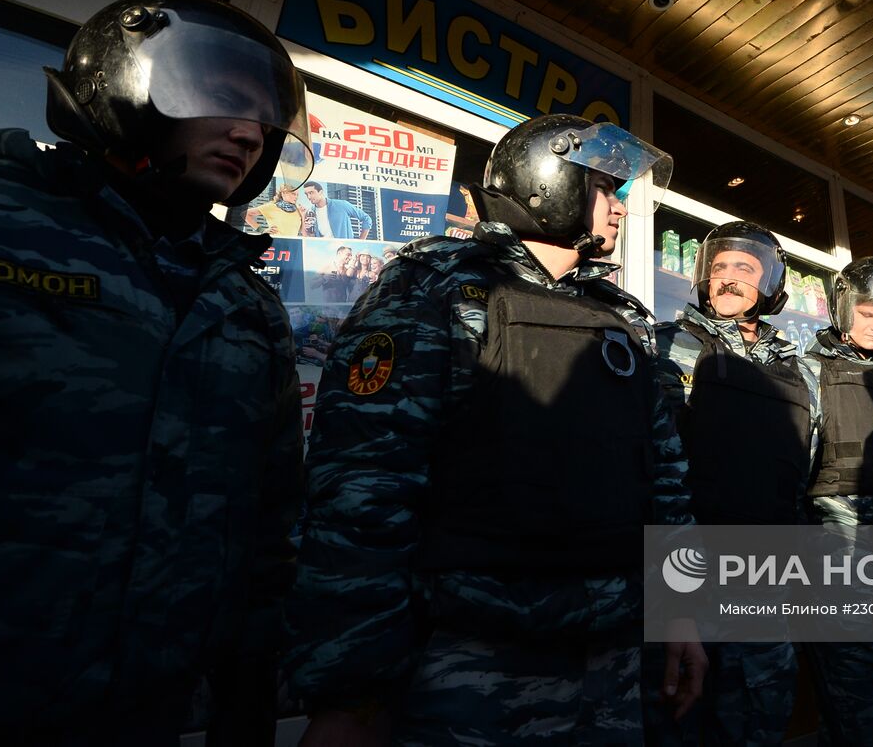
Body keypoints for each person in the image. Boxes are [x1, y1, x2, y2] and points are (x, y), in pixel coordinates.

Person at [0, 0, 313, 744]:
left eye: (264, 115)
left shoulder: (245, 303)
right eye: (219, 95)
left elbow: (268, 530)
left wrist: (246, 702)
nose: (249, 132)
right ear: (125, 82)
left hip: (156, 714)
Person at [284, 113, 706, 745]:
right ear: (549, 183)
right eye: (603, 187)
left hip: (613, 659)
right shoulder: (440, 288)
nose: (619, 207)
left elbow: (664, 479)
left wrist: (681, 610)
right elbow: (365, 488)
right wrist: (352, 688)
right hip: (471, 660)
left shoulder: (622, 319)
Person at [648, 221, 820, 746]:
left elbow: (805, 469)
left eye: (743, 269)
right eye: (717, 268)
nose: (727, 279)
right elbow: (650, 466)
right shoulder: (665, 346)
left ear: (769, 283)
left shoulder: (799, 369)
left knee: (759, 720)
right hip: (688, 581)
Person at [799, 257, 873, 746]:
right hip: (842, 580)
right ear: (843, 308)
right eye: (867, 313)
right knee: (857, 716)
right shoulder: (810, 373)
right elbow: (794, 477)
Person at [304, 180, 372, 239]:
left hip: (345, 249)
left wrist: (361, 240)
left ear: (320, 192)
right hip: (324, 250)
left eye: (311, 193)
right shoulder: (310, 212)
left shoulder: (342, 205)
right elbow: (312, 236)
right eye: (306, 194)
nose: (308, 197)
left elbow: (366, 218)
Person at [244, 181, 309, 236]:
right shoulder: (272, 207)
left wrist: (303, 215)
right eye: (293, 194)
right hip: (275, 245)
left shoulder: (298, 210)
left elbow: (304, 234)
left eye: (297, 195)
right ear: (284, 193)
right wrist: (262, 230)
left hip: (292, 246)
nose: (296, 197)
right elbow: (245, 214)